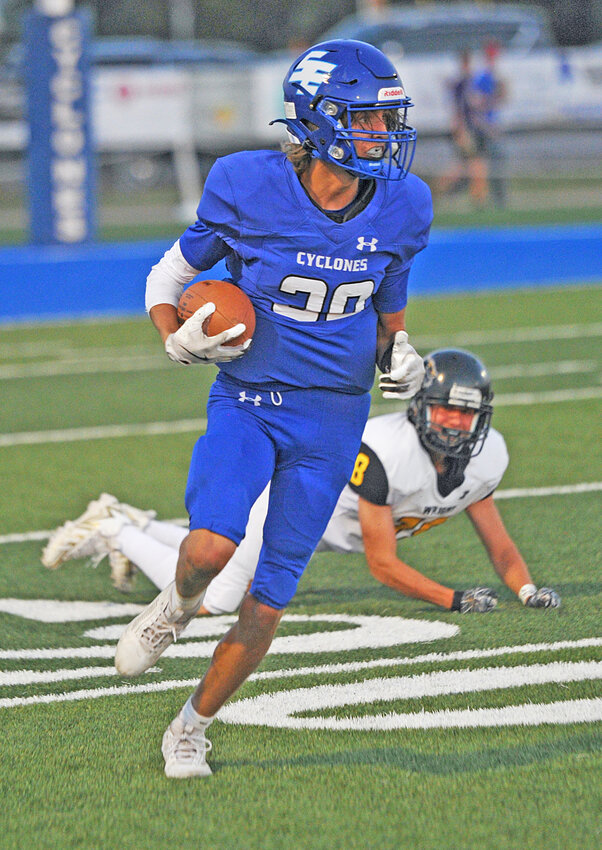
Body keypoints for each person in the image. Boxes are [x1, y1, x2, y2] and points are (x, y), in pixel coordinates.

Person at [85, 39, 431, 778]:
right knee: (210, 548)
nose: (381, 135)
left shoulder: (405, 203)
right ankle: (175, 609)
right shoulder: (246, 183)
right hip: (251, 399)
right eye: (365, 119)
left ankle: (190, 728)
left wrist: (400, 358)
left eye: (386, 120)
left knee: (268, 601)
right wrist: (172, 337)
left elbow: (388, 315)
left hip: (335, 415)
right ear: (317, 120)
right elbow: (172, 271)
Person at [43, 349, 561, 618]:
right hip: (285, 508)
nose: (453, 423)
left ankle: (137, 523)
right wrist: (452, 599)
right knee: (213, 600)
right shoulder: (387, 452)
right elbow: (382, 565)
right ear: (420, 408)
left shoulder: (486, 458)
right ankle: (115, 530)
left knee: (217, 569)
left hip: (306, 524)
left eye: (464, 414)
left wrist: (526, 589)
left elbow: (500, 544)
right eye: (444, 409)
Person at [470, 40, 508, 207]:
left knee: (492, 163)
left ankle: (492, 198)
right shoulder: (483, 77)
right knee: (488, 163)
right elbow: (476, 104)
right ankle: (488, 198)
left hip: (489, 125)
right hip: (484, 127)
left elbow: (500, 100)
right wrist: (487, 126)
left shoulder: (493, 77)